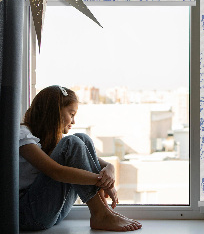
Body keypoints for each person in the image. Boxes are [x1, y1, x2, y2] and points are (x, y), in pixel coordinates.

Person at [19, 85, 142, 231]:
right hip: (28, 215)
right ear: (55, 112)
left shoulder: (49, 139)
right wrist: (102, 182)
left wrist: (110, 168)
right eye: (71, 114)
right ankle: (101, 215)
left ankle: (104, 212)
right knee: (72, 142)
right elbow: (56, 172)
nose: (73, 121)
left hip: (52, 213)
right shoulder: (23, 135)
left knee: (81, 138)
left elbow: (93, 162)